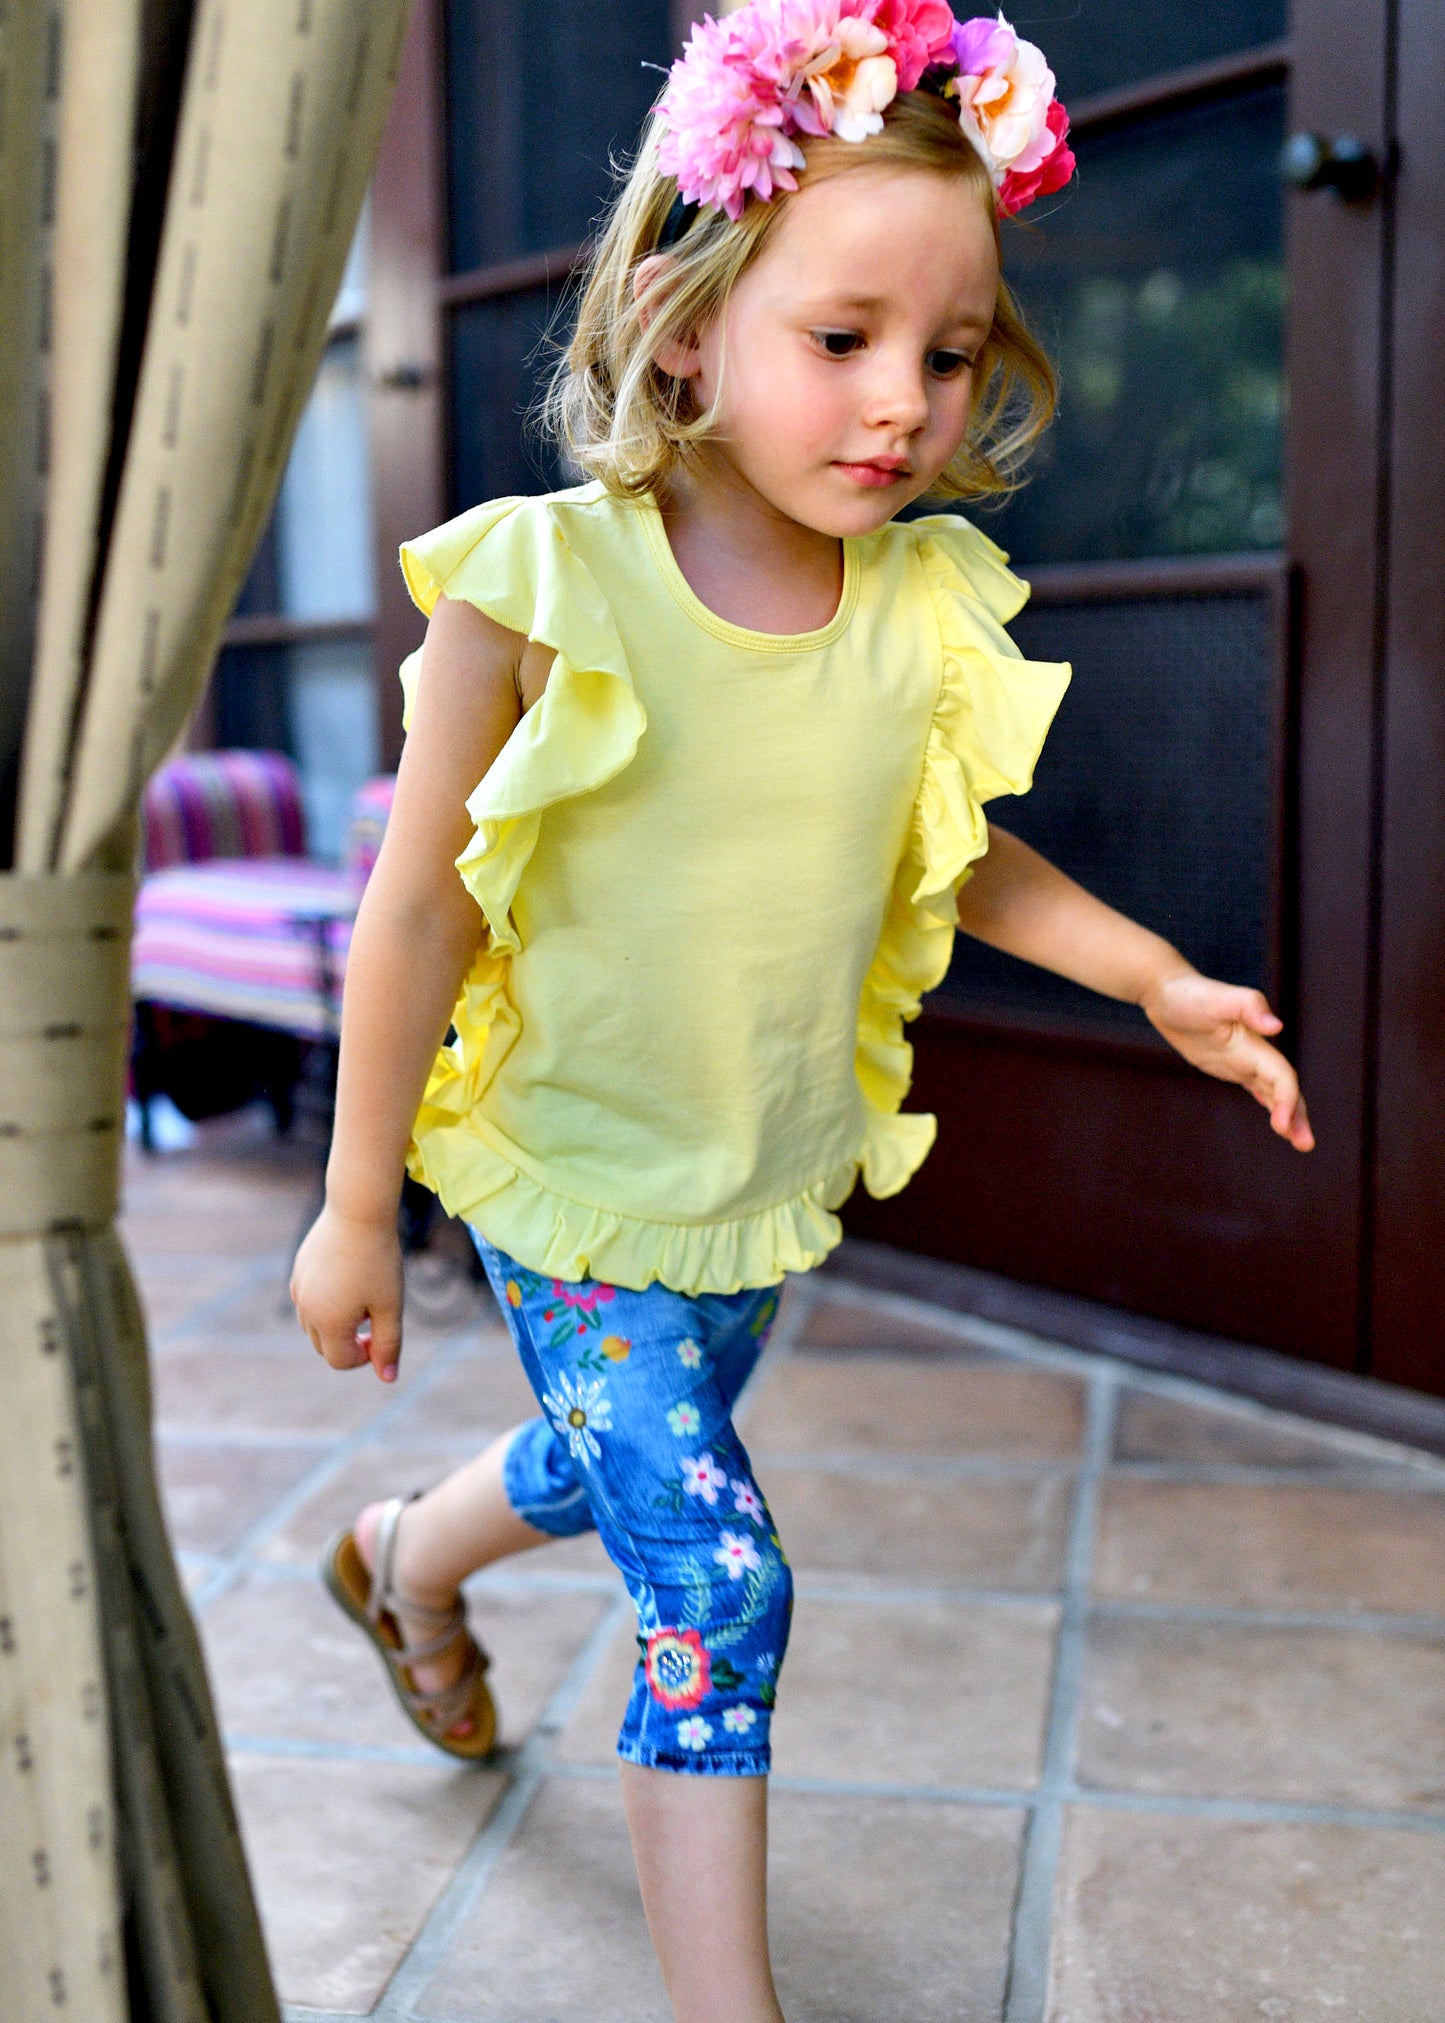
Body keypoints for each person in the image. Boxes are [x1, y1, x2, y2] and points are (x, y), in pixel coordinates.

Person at [291, 7, 1313, 2017]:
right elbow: (411, 913)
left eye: (946, 355)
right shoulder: (543, 583)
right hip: (561, 1164)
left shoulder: (920, 602)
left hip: (757, 1165)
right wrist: (349, 1198)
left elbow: (952, 853)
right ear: (689, 330)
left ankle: (403, 1555)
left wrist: (1157, 976)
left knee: (611, 1467)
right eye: (842, 339)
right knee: (716, 1576)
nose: (901, 403)